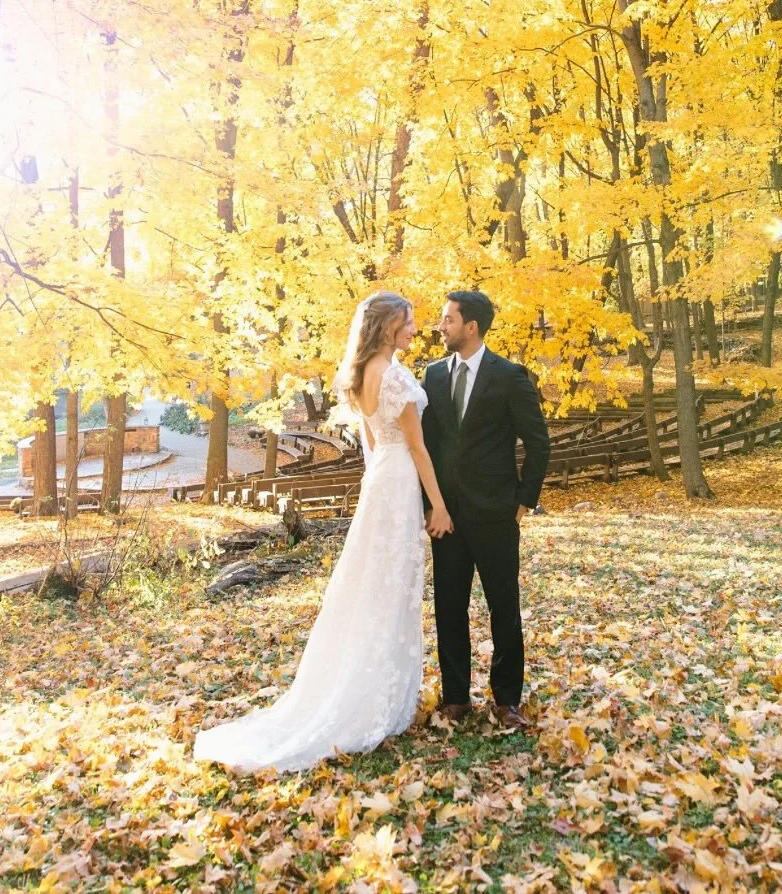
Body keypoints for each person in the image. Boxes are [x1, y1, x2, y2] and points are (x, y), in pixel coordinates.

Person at [194, 292, 453, 772]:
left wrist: (379, 486)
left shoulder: (360, 376)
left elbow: (374, 443)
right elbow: (417, 449)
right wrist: (437, 505)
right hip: (398, 482)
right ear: (389, 326)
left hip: (380, 483)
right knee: (392, 587)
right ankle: (376, 698)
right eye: (409, 322)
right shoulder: (394, 375)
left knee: (373, 586)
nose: (416, 329)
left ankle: (373, 685)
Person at [421, 290, 550, 729]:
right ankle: (456, 698)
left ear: (471, 326)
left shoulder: (510, 376)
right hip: (447, 517)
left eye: (448, 319)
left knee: (504, 607)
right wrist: (430, 505)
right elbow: (427, 445)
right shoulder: (433, 376)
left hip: (496, 513)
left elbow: (538, 442)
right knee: (449, 607)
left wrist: (523, 502)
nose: (441, 326)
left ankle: (507, 699)